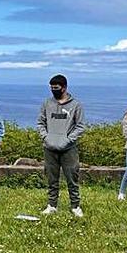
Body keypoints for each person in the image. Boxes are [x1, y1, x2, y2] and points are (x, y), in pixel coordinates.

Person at [37, 74, 86, 217]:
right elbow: (41, 122)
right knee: (52, 179)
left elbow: (80, 126)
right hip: (49, 148)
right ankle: (52, 205)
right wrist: (46, 137)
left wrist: (68, 140)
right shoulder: (47, 103)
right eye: (51, 88)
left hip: (68, 149)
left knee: (72, 178)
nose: (54, 90)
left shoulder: (75, 105)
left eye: (56, 88)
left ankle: (75, 206)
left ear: (64, 87)